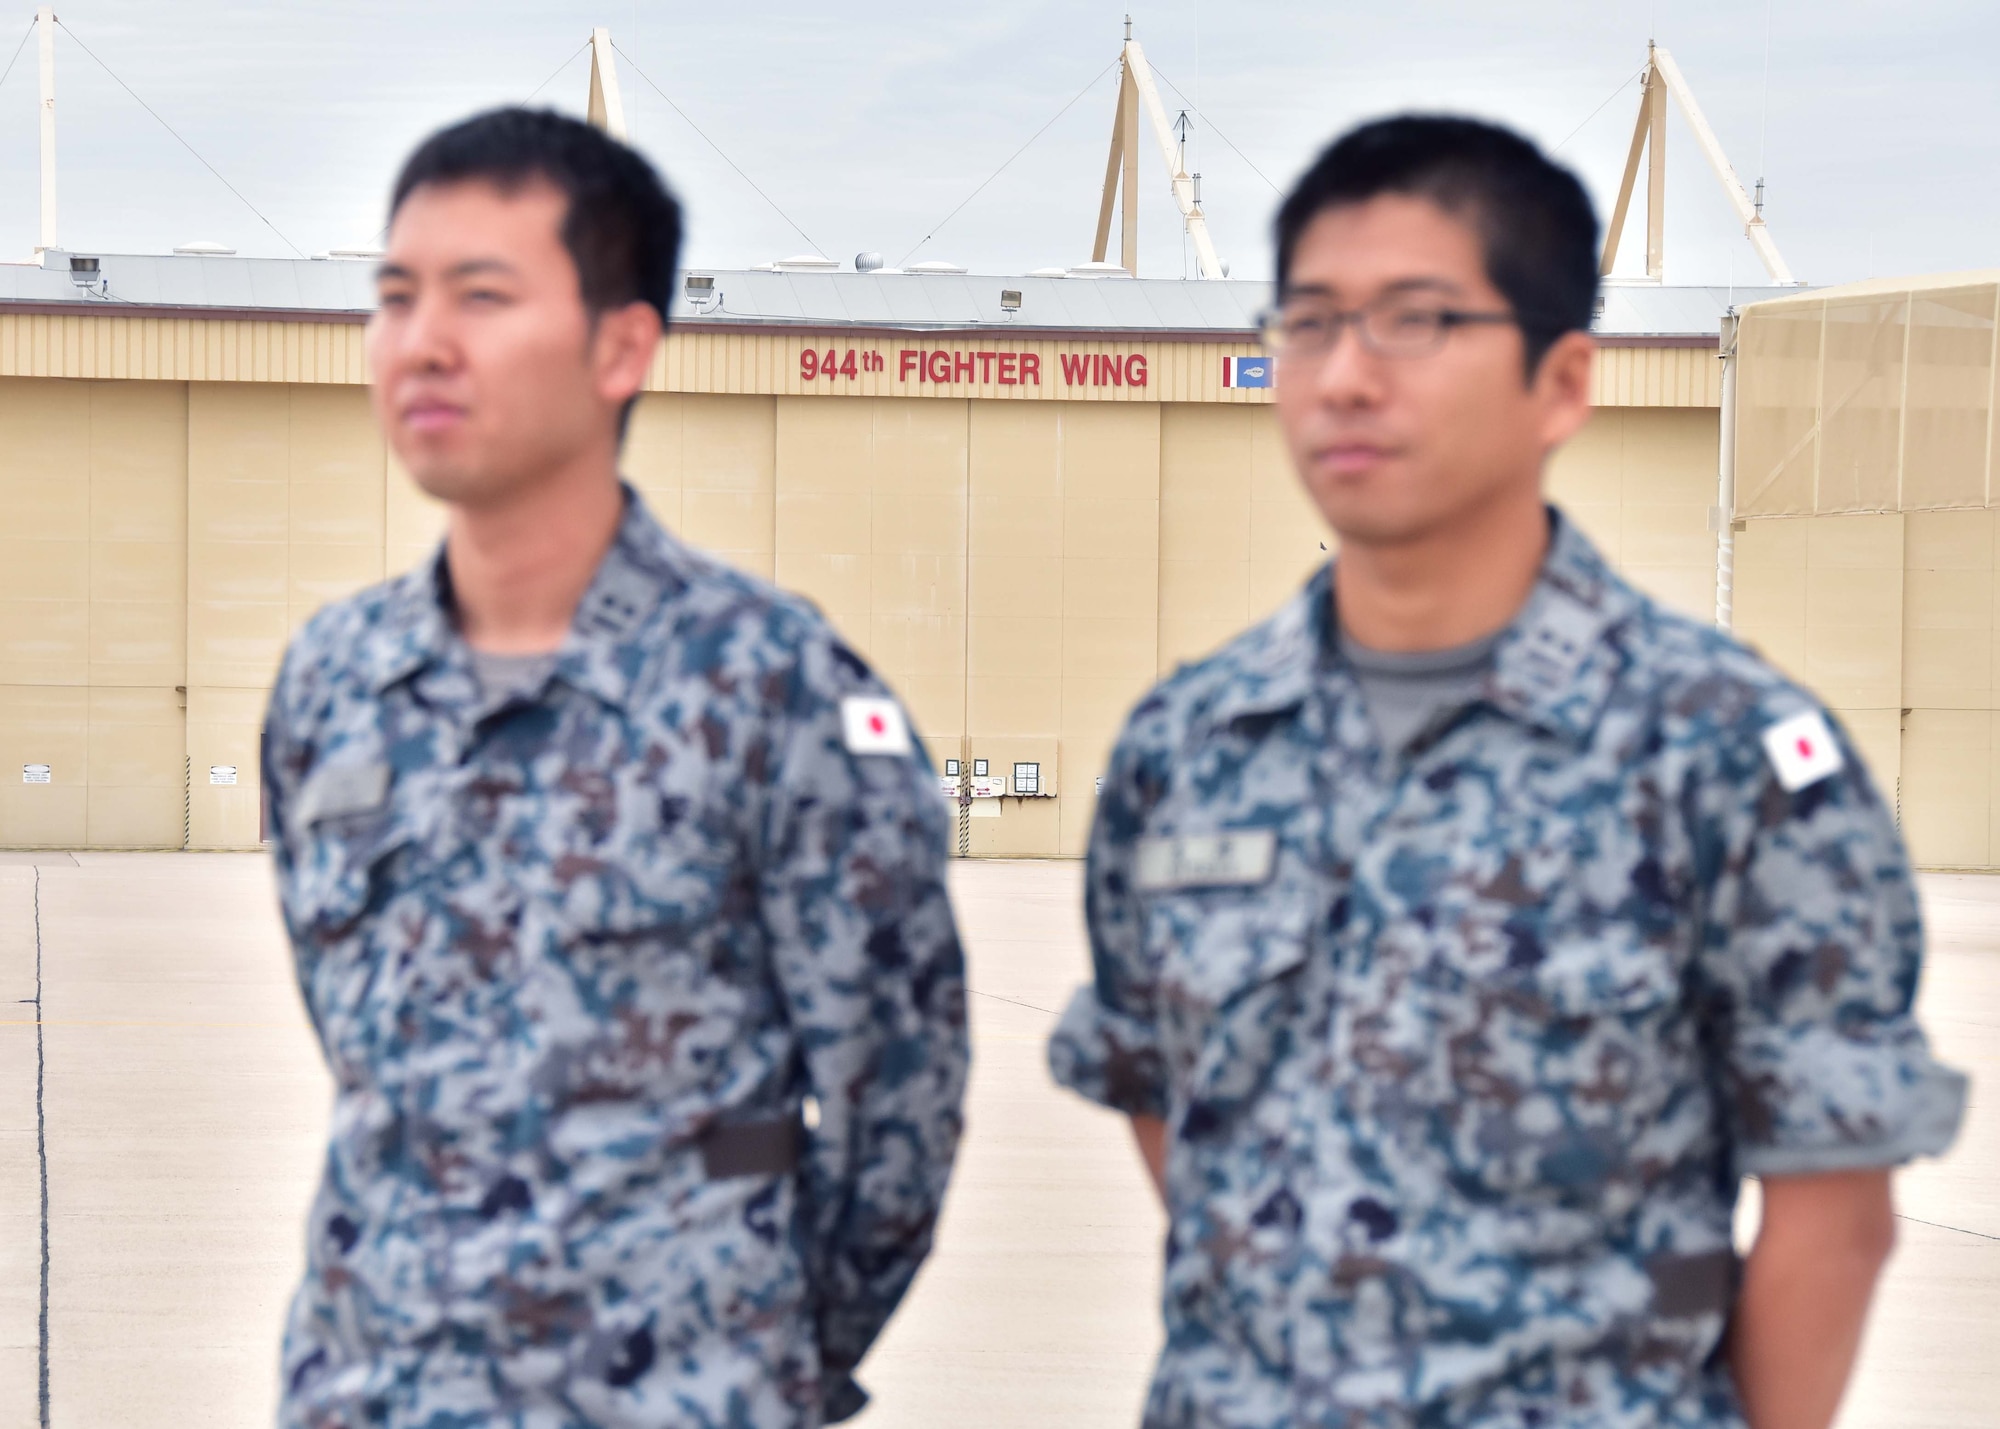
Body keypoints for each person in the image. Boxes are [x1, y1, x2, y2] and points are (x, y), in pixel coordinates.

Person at [1048, 115, 1966, 1429]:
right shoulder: (1186, 747)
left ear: (1563, 382)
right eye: (1308, 322)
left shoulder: (1724, 753)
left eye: (1416, 320)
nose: (1345, 377)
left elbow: (1834, 1204)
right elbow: (1163, 1099)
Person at [262, 108, 968, 1428]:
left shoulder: (775, 686)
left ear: (622, 344)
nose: (422, 341)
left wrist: (748, 1354)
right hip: (371, 1387)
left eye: (481, 295)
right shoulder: (335, 683)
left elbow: (900, 1108)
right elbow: (357, 1040)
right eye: (394, 295)